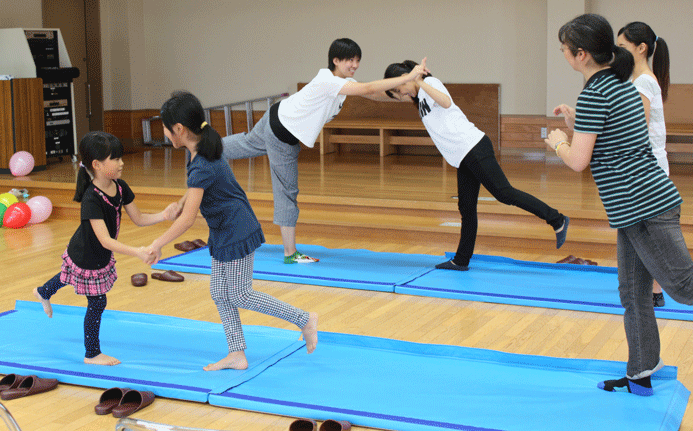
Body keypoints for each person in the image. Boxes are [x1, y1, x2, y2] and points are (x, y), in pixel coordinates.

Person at [546, 13, 693, 396]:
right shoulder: (622, 86)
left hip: (645, 206)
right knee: (633, 292)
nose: (563, 55)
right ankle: (641, 371)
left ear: (581, 55)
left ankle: (642, 368)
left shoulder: (595, 92)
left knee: (685, 287)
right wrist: (577, 124)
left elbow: (578, 160)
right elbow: (612, 140)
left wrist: (558, 140)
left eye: (563, 50)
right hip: (635, 208)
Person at [148, 91, 318, 371]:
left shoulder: (202, 159)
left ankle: (304, 318)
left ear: (178, 130)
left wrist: (158, 243)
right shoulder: (201, 148)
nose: (165, 134)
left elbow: (189, 219)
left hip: (236, 229)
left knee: (239, 293)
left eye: (166, 128)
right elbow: (198, 190)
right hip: (223, 229)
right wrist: (178, 203)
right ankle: (236, 353)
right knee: (219, 292)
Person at [222, 38, 428, 264]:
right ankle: (290, 254)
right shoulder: (328, 81)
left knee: (246, 144)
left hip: (277, 116)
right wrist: (407, 77)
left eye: (357, 60)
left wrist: (406, 94)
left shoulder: (341, 82)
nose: (355, 64)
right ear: (336, 60)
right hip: (282, 133)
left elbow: (373, 94)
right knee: (287, 192)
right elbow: (368, 88)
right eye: (350, 60)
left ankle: (203, 147)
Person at [383, 61, 569, 271]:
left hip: (473, 147)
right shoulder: (418, 98)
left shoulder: (430, 83)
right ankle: (461, 260)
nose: (402, 93)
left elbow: (445, 102)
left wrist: (418, 80)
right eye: (397, 92)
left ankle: (557, 219)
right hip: (462, 156)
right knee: (466, 207)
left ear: (408, 76)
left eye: (400, 88)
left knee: (504, 193)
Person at [33, 131, 179, 366]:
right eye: (116, 159)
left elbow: (139, 218)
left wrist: (165, 215)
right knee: (96, 301)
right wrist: (138, 252)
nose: (121, 163)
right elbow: (105, 240)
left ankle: (43, 292)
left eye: (120, 158)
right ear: (97, 165)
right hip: (86, 254)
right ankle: (92, 354)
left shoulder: (120, 188)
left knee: (67, 277)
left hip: (97, 253)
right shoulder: (91, 198)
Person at [617, 21, 672, 307]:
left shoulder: (644, 82)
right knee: (644, 232)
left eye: (623, 47)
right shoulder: (644, 80)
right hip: (651, 167)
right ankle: (652, 290)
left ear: (641, 49)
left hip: (648, 170)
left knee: (648, 234)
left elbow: (636, 127)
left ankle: (655, 291)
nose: (618, 52)